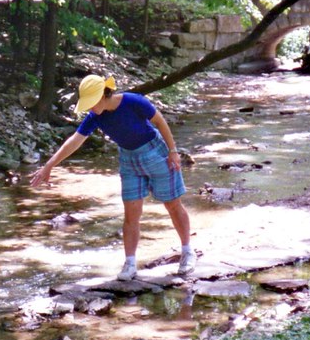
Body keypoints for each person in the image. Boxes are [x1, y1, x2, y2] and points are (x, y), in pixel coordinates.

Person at [29, 74, 195, 281]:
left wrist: (173, 151)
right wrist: (48, 166)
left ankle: (187, 251)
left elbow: (160, 122)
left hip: (156, 152)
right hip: (129, 159)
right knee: (131, 214)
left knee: (172, 204)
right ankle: (130, 264)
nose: (89, 108)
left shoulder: (134, 101)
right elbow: (75, 141)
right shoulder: (96, 116)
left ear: (103, 96)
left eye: (91, 103)